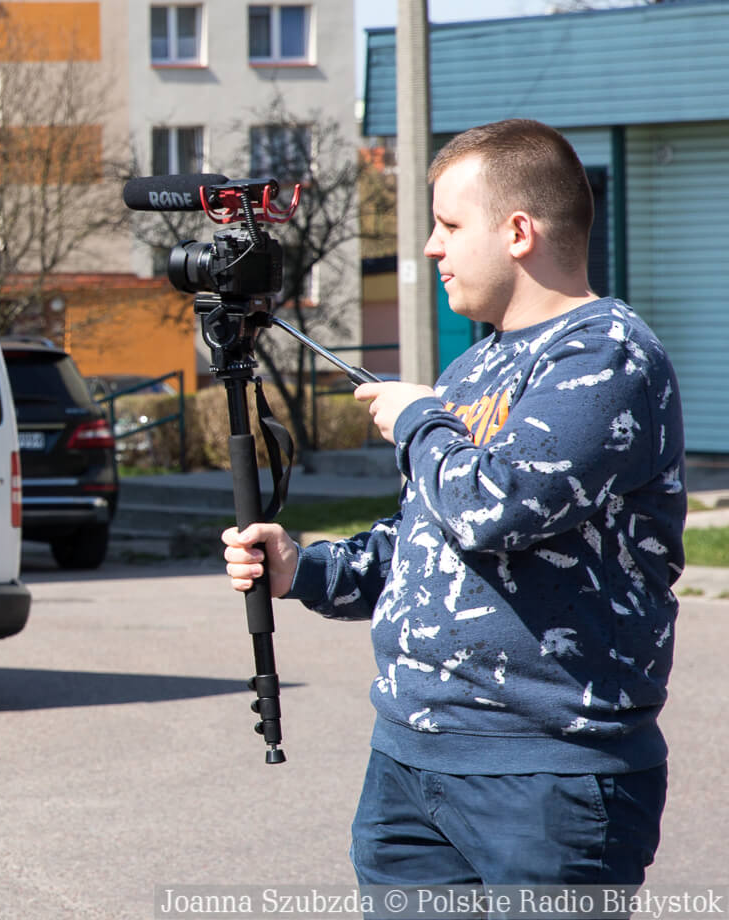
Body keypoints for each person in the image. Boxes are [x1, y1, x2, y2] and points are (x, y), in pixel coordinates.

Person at [222, 118, 686, 891]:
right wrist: (300, 569)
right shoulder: (471, 370)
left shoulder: (606, 355)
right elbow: (424, 540)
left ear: (518, 232)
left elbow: (497, 506)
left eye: (449, 225)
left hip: (549, 781)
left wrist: (418, 421)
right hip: (409, 768)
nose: (431, 248)